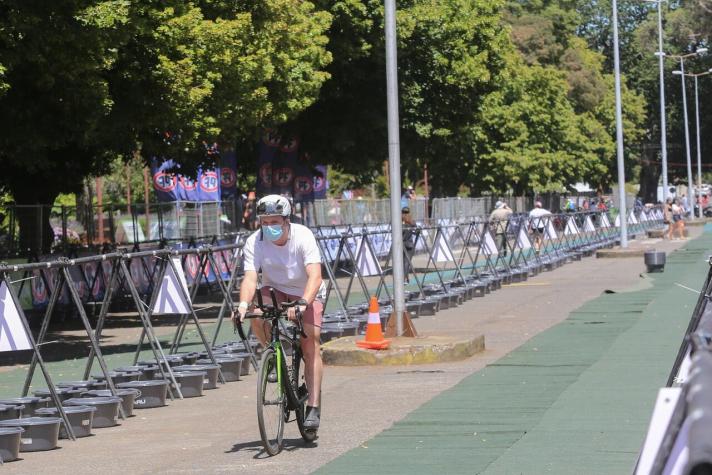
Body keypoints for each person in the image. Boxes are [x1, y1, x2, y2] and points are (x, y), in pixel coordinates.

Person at [233, 194, 325, 430]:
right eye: (265, 222)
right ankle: (273, 356)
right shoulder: (255, 241)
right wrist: (243, 305)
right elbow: (251, 278)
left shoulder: (303, 235)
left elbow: (315, 275)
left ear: (286, 220)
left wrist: (304, 302)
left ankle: (313, 406)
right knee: (256, 313)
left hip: (305, 290)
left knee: (310, 341)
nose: (269, 227)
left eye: (275, 222)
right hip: (275, 289)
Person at [402, 207, 416, 282]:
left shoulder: (399, 221)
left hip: (401, 244)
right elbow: (416, 228)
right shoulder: (411, 221)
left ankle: (405, 277)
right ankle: (405, 277)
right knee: (407, 262)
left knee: (403, 262)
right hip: (409, 244)